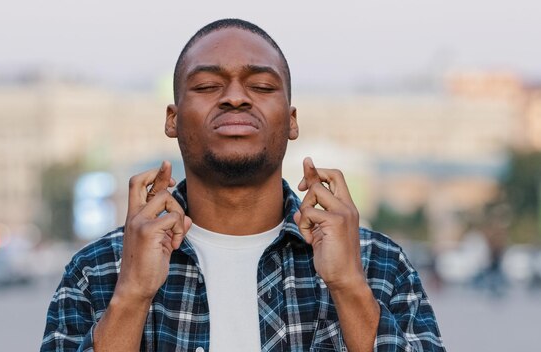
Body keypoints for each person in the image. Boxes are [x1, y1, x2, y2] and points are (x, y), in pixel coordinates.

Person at [41, 18, 445, 352]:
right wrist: (131, 294)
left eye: (262, 87)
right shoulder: (98, 271)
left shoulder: (378, 264)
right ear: (172, 119)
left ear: (291, 120)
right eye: (207, 86)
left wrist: (349, 286)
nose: (235, 97)